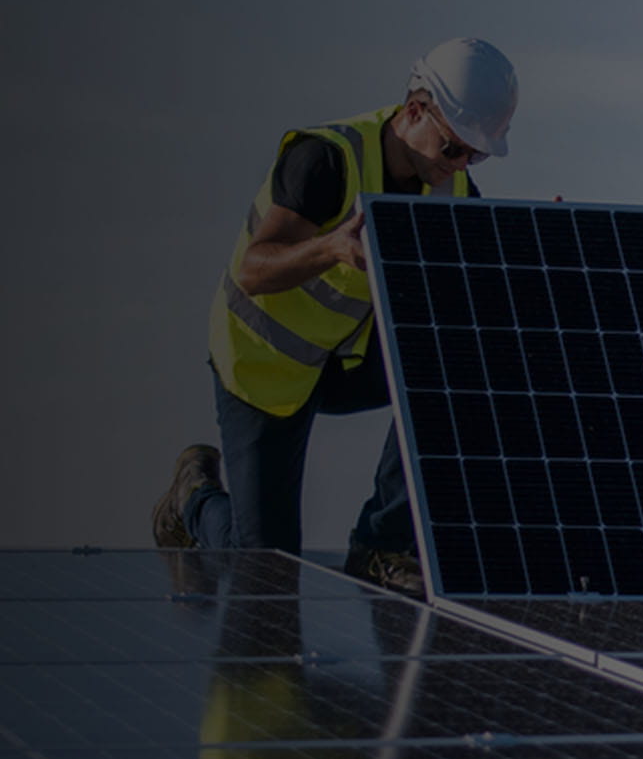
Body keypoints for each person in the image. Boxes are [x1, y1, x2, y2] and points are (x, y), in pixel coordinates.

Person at [152, 39, 520, 594]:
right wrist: (329, 249)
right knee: (265, 571)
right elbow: (255, 268)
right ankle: (195, 500)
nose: (463, 164)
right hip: (264, 369)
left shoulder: (452, 188)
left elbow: (464, 295)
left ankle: (381, 543)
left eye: (476, 154)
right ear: (415, 111)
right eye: (453, 149)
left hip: (342, 361)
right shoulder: (325, 159)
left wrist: (534, 253)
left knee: (460, 359)